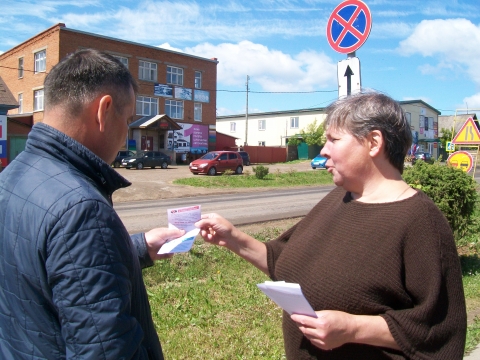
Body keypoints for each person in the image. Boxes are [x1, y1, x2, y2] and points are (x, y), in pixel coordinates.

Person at [196, 92, 467, 359]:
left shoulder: (420, 220)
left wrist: (353, 329)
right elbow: (285, 260)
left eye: (333, 139)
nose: (323, 150)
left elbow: (440, 331)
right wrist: (232, 238)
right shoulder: (340, 198)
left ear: (373, 142)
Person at [0, 49, 184, 359]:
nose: (125, 136)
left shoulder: (12, 176)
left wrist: (136, 247)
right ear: (104, 110)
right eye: (126, 121)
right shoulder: (82, 210)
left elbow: (47, 266)